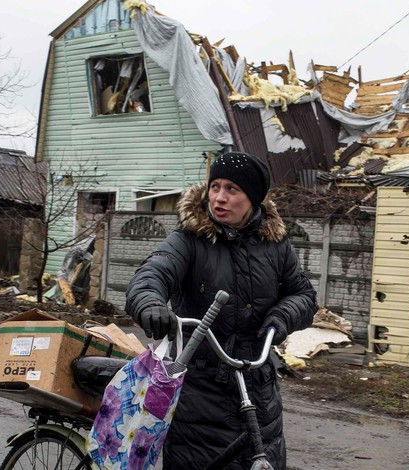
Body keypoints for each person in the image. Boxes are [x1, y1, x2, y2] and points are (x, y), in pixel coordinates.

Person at [125, 151, 317, 469]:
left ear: (253, 199)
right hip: (200, 396)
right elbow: (152, 274)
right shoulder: (189, 240)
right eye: (215, 186)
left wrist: (280, 319)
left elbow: (303, 295)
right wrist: (151, 303)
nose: (220, 198)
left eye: (232, 189)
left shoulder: (276, 245)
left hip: (259, 390)